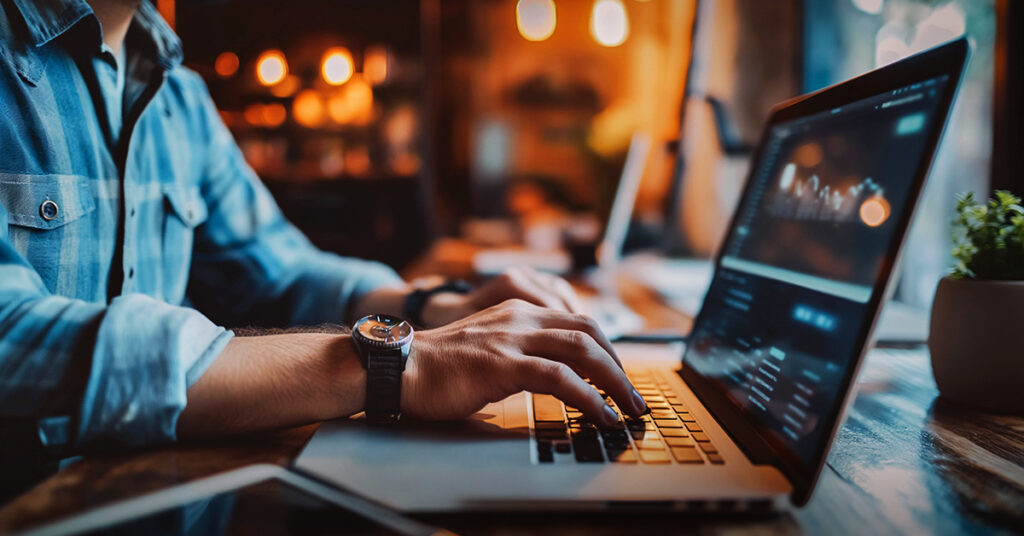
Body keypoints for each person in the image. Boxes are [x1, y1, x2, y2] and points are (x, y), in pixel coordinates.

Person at [0, 0, 646, 486]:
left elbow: (281, 273)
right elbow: (12, 337)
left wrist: (433, 307)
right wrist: (395, 364)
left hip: (153, 501)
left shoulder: (181, 99)